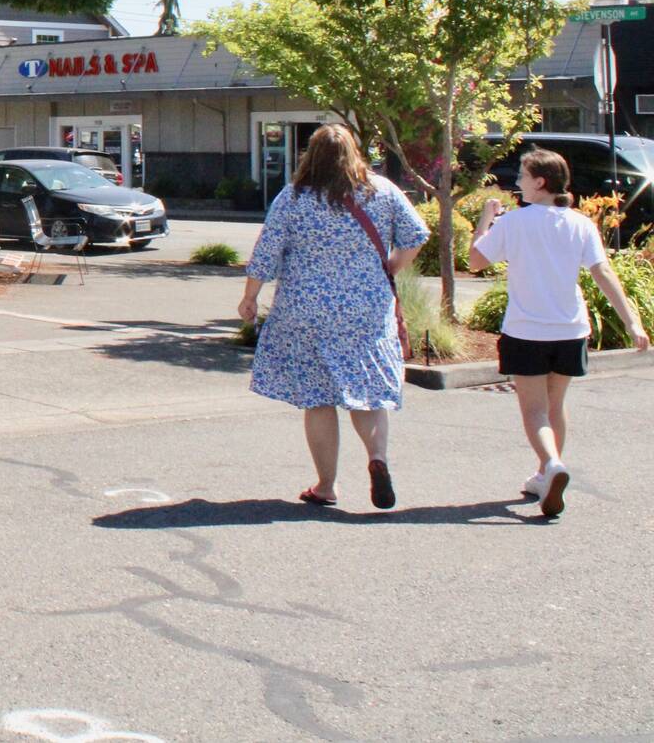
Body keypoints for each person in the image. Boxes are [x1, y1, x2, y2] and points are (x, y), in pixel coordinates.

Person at [237, 123, 427, 510]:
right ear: (354, 153)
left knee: (318, 398)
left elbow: (266, 252)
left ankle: (326, 485)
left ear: (311, 155)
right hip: (366, 310)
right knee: (368, 392)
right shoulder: (382, 191)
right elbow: (417, 235)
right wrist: (391, 265)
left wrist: (250, 297)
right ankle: (377, 458)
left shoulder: (293, 198)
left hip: (304, 310)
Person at [468, 149, 648, 518]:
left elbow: (475, 261)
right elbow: (603, 273)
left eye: (522, 174)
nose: (517, 180)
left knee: (534, 412)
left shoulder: (514, 223)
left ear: (540, 182)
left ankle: (551, 465)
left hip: (526, 330)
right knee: (554, 407)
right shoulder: (580, 224)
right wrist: (632, 321)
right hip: (570, 329)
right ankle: (543, 474)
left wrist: (486, 219)